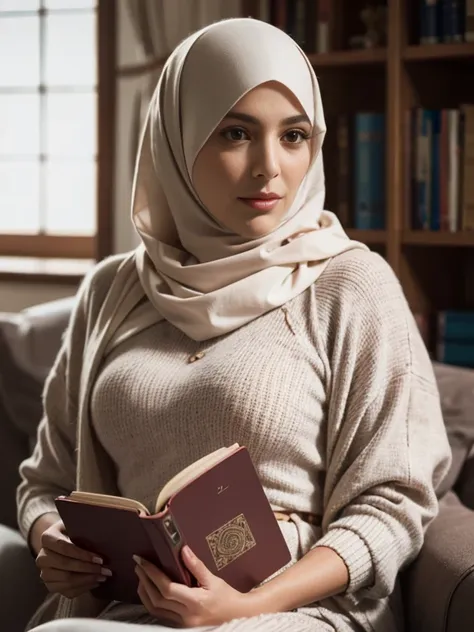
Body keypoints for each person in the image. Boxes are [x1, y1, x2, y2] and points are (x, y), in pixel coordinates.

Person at [14, 17, 451, 632]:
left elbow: (394, 503)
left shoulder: (353, 285)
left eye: (294, 135)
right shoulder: (113, 291)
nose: (268, 167)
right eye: (236, 132)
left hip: (298, 609)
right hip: (126, 609)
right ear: (177, 139)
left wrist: (245, 607)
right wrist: (49, 541)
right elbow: (46, 482)